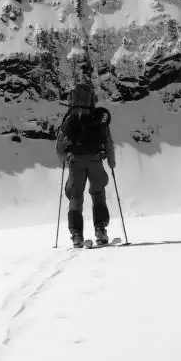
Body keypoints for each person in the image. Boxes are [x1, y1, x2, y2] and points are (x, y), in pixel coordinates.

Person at [56, 82, 116, 247]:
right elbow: (108, 141)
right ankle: (100, 231)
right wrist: (111, 161)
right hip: (95, 160)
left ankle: (76, 235)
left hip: (76, 162)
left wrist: (66, 158)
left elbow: (60, 147)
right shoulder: (98, 117)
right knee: (98, 193)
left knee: (75, 197)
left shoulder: (69, 119)